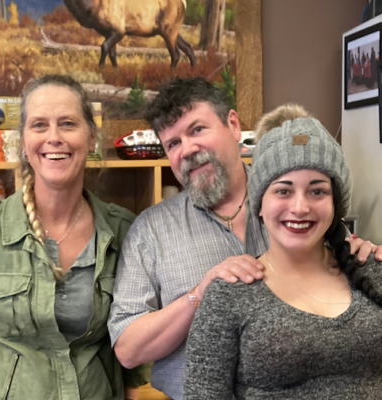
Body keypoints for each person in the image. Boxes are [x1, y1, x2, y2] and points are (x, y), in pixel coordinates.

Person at [107, 77, 382, 400]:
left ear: (234, 125)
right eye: (173, 143)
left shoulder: (289, 198)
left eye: (197, 130)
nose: (188, 149)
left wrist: (363, 255)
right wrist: (198, 295)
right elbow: (128, 349)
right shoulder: (151, 231)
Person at [0, 75, 149, 400]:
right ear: (22, 141)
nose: (54, 137)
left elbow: (133, 349)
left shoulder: (123, 231)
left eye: (67, 124)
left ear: (91, 137)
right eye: (39, 125)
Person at [184, 104, 382, 399]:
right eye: (283, 191)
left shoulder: (371, 270)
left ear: (335, 204)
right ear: (259, 205)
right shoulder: (228, 296)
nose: (300, 207)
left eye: (317, 191)